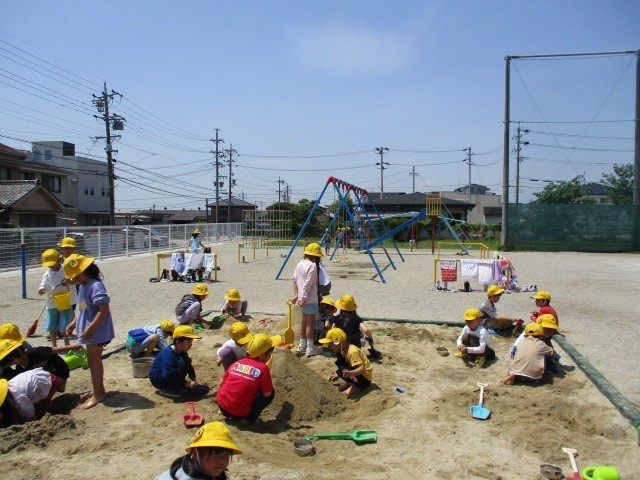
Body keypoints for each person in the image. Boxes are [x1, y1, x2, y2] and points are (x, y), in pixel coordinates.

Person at [63, 254, 115, 410]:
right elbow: (83, 307)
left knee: (94, 361)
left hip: (96, 331)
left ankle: (98, 394)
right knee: (93, 360)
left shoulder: (95, 286)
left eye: (73, 277)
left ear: (82, 273)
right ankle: (98, 390)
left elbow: (103, 308)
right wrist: (74, 322)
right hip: (89, 330)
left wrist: (91, 327)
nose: (72, 280)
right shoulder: (83, 286)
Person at [216, 333, 279, 424]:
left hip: (222, 405)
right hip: (238, 412)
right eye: (270, 353)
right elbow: (267, 394)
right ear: (262, 355)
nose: (270, 356)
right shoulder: (263, 368)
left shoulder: (238, 362)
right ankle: (248, 419)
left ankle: (223, 411)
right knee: (271, 393)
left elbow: (221, 383)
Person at [155, 421, 242, 480]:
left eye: (226, 454)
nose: (222, 461)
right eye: (215, 454)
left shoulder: (192, 466)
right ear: (195, 453)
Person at [149, 325, 209, 397]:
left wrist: (194, 380)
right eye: (189, 342)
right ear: (178, 342)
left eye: (191, 342)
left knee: (204, 389)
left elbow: (189, 366)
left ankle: (177, 386)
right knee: (180, 362)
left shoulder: (182, 351)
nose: (191, 345)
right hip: (160, 379)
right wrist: (186, 383)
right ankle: (167, 390)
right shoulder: (168, 354)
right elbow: (168, 375)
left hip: (172, 376)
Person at [319, 328, 372, 398]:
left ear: (337, 342)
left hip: (365, 379)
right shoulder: (344, 350)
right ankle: (349, 382)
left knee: (342, 369)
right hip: (358, 374)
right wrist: (338, 374)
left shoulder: (352, 352)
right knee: (340, 363)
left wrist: (350, 373)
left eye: (330, 343)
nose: (328, 345)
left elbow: (362, 369)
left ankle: (356, 386)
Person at [292, 242, 323, 357]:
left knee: (304, 322)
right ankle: (310, 348)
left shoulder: (300, 263)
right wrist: (304, 297)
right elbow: (308, 283)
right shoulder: (312, 266)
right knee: (310, 324)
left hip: (302, 298)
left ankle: (302, 345)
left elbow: (294, 279)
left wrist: (296, 295)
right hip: (310, 298)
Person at [39, 249, 73, 347]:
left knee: (66, 323)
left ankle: (66, 341)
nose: (50, 266)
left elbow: (73, 279)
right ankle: (54, 345)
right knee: (52, 325)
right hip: (51, 303)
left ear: (59, 260)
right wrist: (41, 289)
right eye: (48, 265)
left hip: (64, 300)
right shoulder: (47, 274)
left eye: (52, 264)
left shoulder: (65, 269)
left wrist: (68, 281)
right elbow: (43, 284)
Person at [59, 237, 79, 337]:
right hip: (62, 288)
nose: (68, 250)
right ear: (61, 248)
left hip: (76, 286)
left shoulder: (74, 260)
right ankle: (62, 328)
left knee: (79, 306)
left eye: (70, 248)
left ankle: (71, 327)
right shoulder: (59, 260)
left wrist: (70, 281)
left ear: (74, 249)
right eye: (66, 248)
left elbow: (77, 274)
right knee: (64, 308)